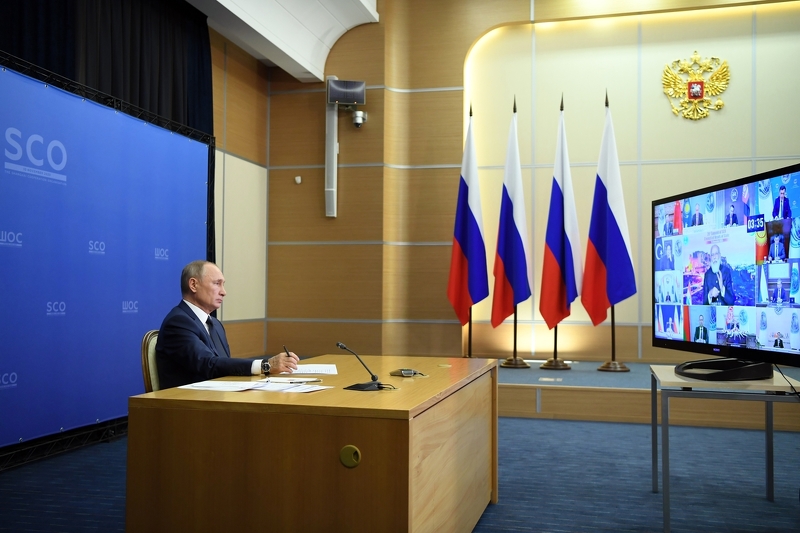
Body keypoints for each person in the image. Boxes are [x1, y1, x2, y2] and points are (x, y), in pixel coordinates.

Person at [156, 260, 299, 389]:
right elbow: (209, 365)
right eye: (217, 283)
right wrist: (265, 365)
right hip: (187, 407)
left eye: (223, 285)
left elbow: (224, 367)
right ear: (194, 285)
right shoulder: (178, 322)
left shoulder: (216, 325)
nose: (224, 292)